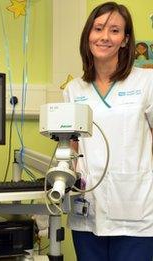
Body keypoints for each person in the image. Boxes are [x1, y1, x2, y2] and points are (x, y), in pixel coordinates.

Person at [63, 2, 153, 260]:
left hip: (136, 208)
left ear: (125, 40)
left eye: (114, 30)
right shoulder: (74, 90)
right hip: (87, 207)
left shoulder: (146, 82)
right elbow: (72, 146)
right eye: (98, 28)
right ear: (88, 35)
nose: (104, 37)